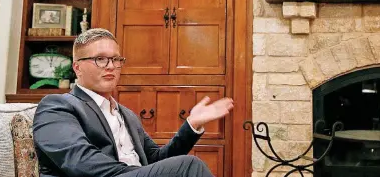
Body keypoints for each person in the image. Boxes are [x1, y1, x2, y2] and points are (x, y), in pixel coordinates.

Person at [33, 28, 233, 177]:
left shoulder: (126, 114)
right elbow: (80, 162)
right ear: (77, 68)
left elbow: (157, 160)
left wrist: (192, 125)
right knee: (190, 166)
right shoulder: (57, 106)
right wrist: (140, 173)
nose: (111, 66)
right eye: (100, 59)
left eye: (116, 59)